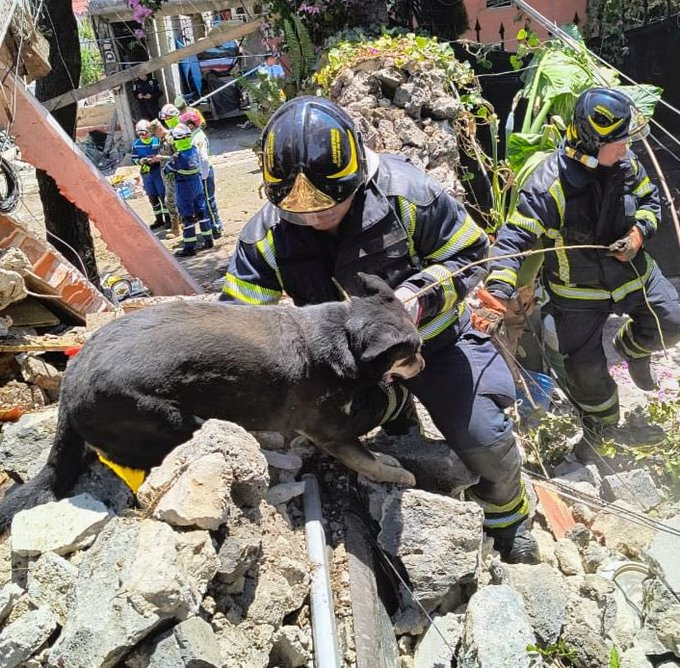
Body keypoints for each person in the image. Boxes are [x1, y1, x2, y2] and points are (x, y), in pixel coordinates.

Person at [219, 96, 540, 564]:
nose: (315, 215)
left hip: (436, 342)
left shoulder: (409, 197)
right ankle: (392, 406)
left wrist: (418, 298)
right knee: (309, 428)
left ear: (359, 176)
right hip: (345, 362)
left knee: (485, 440)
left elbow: (472, 254)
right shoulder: (265, 238)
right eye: (300, 211)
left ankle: (507, 518)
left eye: (332, 203)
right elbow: (239, 325)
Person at [483, 87, 680, 461]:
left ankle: (631, 350)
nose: (626, 148)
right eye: (618, 142)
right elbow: (513, 240)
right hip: (578, 296)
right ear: (591, 142)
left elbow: (651, 200)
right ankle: (601, 429)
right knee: (585, 372)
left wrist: (638, 234)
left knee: (672, 322)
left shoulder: (626, 164)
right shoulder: (549, 185)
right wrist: (497, 291)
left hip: (634, 277)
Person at [163, 123, 214, 257]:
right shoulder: (194, 150)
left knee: (187, 217)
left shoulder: (178, 157)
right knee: (202, 212)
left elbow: (167, 170)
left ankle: (190, 247)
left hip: (184, 188)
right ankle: (208, 239)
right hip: (197, 185)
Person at [180, 110, 223, 238]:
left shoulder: (198, 138)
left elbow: (203, 159)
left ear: (191, 125)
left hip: (204, 173)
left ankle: (216, 227)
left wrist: (202, 176)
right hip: (202, 173)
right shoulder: (194, 136)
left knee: (208, 201)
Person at [130, 119, 170, 230]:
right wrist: (141, 161)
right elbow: (134, 159)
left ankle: (168, 219)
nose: (143, 136)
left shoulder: (157, 141)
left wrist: (157, 159)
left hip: (158, 170)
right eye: (140, 134)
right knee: (152, 197)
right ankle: (159, 219)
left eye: (145, 133)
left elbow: (164, 153)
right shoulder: (136, 144)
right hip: (146, 172)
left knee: (163, 195)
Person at [149, 118, 182, 238]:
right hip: (166, 176)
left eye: (155, 133)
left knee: (170, 201)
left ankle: (176, 228)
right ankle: (179, 223)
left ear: (159, 129)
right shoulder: (162, 140)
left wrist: (162, 158)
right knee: (172, 201)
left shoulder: (171, 138)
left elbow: (178, 156)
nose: (155, 136)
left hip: (173, 175)